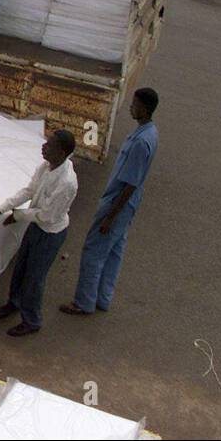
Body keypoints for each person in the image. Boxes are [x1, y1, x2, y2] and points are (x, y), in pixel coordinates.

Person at [62, 88, 160, 316]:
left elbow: (130, 184)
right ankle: (102, 298)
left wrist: (110, 217)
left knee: (94, 251)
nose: (130, 107)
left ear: (144, 108)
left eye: (134, 104)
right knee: (114, 251)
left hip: (117, 203)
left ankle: (84, 302)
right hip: (128, 205)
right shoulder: (150, 132)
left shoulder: (140, 143)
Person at [0, 129, 78, 336]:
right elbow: (29, 191)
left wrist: (17, 215)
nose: (44, 147)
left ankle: (32, 320)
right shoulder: (46, 166)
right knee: (21, 269)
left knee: (34, 278)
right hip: (36, 226)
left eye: (49, 145)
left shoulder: (66, 183)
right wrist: (1, 208)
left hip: (49, 233)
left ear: (61, 153)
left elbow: (46, 216)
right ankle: (14, 302)